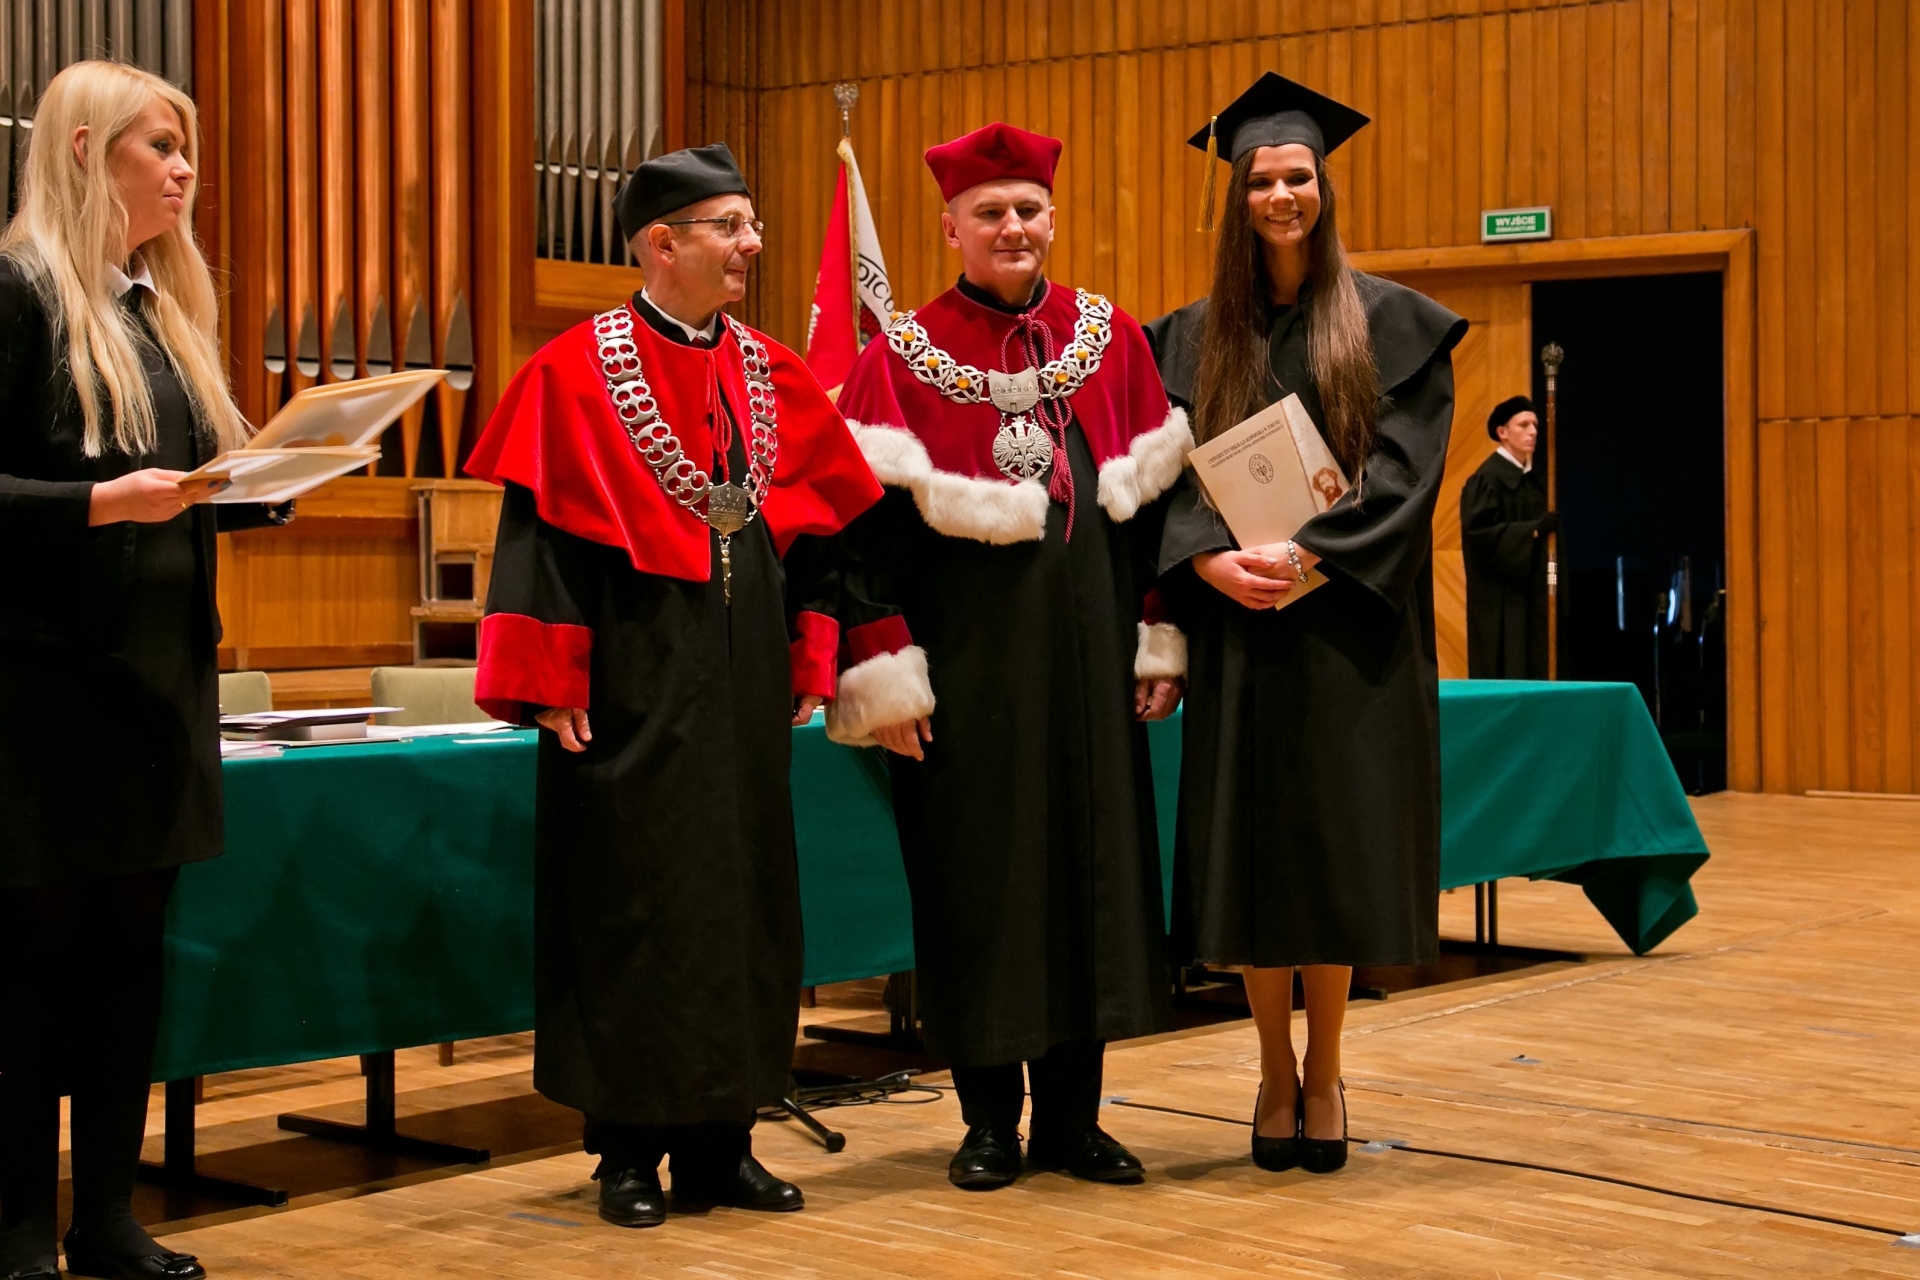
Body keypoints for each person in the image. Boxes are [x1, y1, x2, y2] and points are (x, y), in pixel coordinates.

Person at [465, 143, 882, 1228]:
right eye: (730, 226)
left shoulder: (773, 371)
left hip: (742, 681)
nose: (753, 244)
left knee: (744, 901)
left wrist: (812, 653)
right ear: (662, 243)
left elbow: (822, 535)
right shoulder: (570, 371)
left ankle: (722, 1142)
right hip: (628, 677)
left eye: (751, 224)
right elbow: (541, 543)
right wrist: (548, 677)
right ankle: (626, 1152)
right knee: (633, 904)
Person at [829, 122, 1188, 1192]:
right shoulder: (897, 359)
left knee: (1091, 885)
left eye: (1028, 209)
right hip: (964, 684)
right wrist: (884, 670)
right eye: (990, 213)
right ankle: (988, 1121)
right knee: (976, 892)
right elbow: (855, 546)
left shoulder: (1112, 341)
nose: (1013, 227)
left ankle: (1073, 1122)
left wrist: (1157, 635)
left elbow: (1156, 519)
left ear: (1052, 218)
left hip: (1090, 677)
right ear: (952, 228)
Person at [0, 61, 295, 1280]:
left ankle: (107, 1216)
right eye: (160, 145)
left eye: (186, 147)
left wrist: (269, 483)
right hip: (41, 695)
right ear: (86, 149)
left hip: (159, 688)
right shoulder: (17, 293)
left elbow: (181, 493)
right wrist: (95, 505)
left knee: (128, 967)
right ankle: (17, 1229)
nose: (185, 168)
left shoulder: (157, 311)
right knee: (29, 978)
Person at [1145, 73, 1467, 1177]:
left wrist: (1310, 556)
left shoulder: (1391, 324)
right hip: (1242, 629)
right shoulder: (1191, 338)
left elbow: (1407, 474)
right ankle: (1270, 1071)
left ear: (1323, 187)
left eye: (1298, 177)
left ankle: (1324, 1068)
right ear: (1236, 196)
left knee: (1332, 854)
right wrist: (1208, 557)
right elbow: (1164, 475)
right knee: (1251, 857)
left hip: (1348, 634)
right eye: (1260, 181)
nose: (1281, 196)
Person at [1462, 395, 1557, 679]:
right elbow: (1480, 535)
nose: (1533, 432)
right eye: (1524, 425)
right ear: (1502, 432)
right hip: (1501, 603)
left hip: (1533, 597)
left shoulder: (1536, 482)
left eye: (1535, 425)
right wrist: (1532, 531)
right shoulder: (1486, 480)